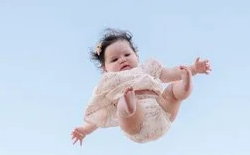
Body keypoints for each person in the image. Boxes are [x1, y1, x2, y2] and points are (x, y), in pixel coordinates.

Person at [71, 28, 211, 145]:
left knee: (172, 92)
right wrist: (85, 130)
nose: (122, 59)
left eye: (127, 54)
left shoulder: (147, 68)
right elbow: (102, 113)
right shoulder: (110, 81)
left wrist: (193, 69)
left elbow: (170, 73)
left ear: (136, 56)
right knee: (122, 106)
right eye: (115, 59)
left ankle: (185, 86)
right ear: (105, 69)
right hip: (136, 124)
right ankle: (130, 106)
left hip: (161, 110)